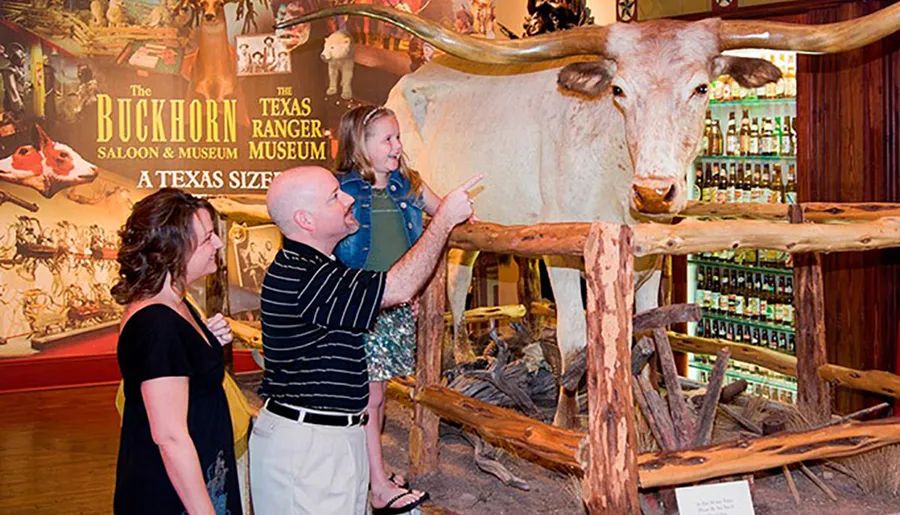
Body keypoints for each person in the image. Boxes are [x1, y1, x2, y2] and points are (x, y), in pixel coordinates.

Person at [251, 166, 480, 515]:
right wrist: (443, 220)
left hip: (333, 437)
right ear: (305, 220)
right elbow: (398, 285)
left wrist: (389, 304)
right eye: (334, 197)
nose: (348, 199)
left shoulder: (318, 267)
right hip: (309, 448)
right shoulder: (306, 278)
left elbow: (372, 299)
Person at [332, 104, 441, 512]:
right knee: (369, 398)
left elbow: (443, 210)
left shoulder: (408, 184)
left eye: (398, 138)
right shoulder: (341, 191)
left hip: (396, 308)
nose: (398, 146)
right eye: (388, 139)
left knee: (377, 396)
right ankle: (376, 483)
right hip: (363, 307)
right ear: (361, 145)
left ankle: (369, 471)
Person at [112, 188, 243, 515]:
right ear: (174, 250)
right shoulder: (156, 324)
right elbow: (170, 438)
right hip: (176, 496)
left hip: (202, 474)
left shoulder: (173, 303)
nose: (217, 244)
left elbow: (177, 367)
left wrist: (204, 341)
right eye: (208, 238)